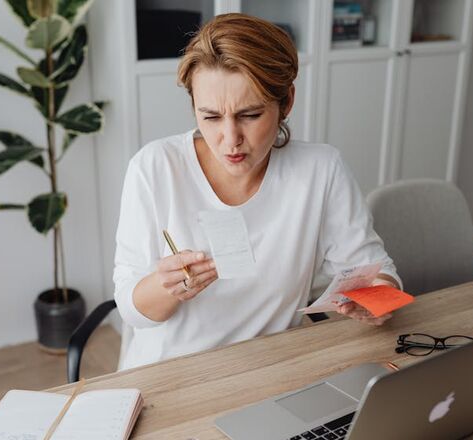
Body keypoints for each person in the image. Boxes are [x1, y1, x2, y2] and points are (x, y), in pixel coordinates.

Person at [113, 13, 401, 370]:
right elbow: (131, 311)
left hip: (273, 371)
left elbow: (374, 270)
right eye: (211, 117)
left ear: (286, 102)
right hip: (174, 375)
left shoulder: (320, 170)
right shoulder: (155, 167)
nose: (230, 139)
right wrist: (166, 286)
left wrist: (375, 300)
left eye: (249, 115)